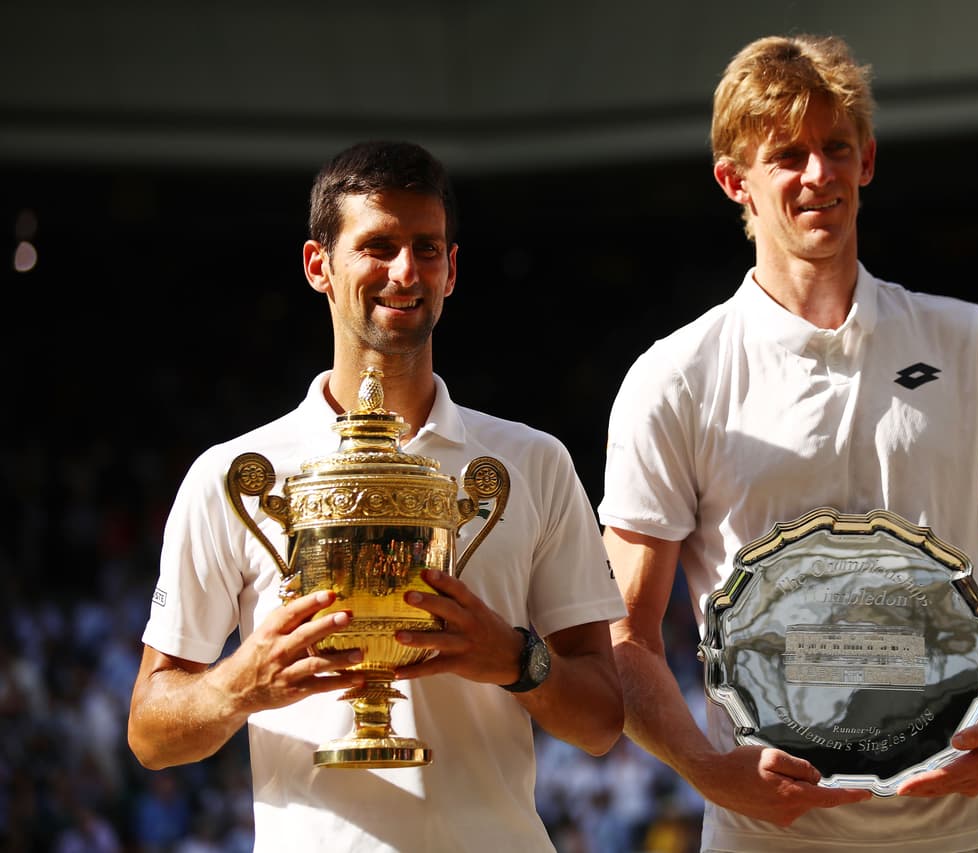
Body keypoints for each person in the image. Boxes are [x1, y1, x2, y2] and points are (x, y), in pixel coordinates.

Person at [598, 33, 978, 852]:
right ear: (734, 181)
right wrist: (708, 769)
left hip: (976, 829)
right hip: (770, 836)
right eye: (787, 156)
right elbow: (622, 634)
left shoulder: (973, 343)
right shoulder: (674, 376)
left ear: (868, 161)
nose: (818, 173)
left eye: (836, 148)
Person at [128, 140, 626, 851]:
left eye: (427, 248)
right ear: (318, 266)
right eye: (378, 246)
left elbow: (603, 718)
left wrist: (515, 659)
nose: (406, 272)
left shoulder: (533, 463)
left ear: (452, 269)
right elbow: (150, 732)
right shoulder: (232, 474)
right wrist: (242, 682)